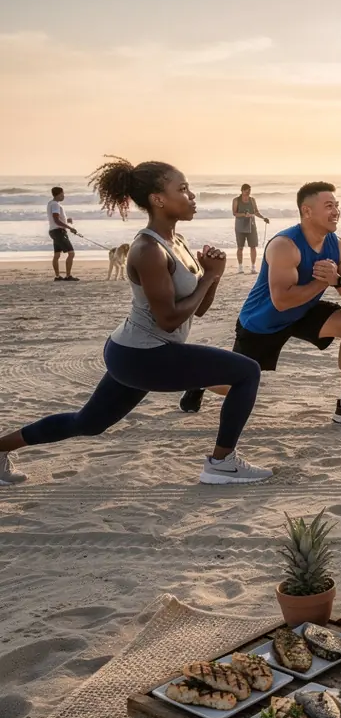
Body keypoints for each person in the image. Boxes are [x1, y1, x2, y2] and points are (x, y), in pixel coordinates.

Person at [0, 158, 271, 487]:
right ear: (158, 199)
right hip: (143, 355)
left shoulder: (179, 242)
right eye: (182, 189)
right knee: (246, 372)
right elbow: (169, 320)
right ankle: (222, 463)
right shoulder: (147, 250)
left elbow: (195, 311)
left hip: (136, 351)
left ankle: (0, 448)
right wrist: (208, 277)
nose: (192, 195)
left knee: (88, 422)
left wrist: (213, 278)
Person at [179, 181, 341, 427]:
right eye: (329, 206)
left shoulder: (338, 245)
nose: (336, 211)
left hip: (303, 311)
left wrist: (337, 280)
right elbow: (282, 302)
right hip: (264, 320)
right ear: (307, 211)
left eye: (337, 205)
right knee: (231, 385)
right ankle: (199, 380)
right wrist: (323, 282)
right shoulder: (285, 245)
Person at [234, 183, 269, 275]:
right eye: (247, 190)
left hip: (251, 225)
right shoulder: (236, 200)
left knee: (253, 246)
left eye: (250, 190)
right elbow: (235, 213)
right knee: (240, 247)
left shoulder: (252, 200)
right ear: (242, 190)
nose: (249, 192)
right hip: (240, 225)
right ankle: (240, 267)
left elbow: (256, 212)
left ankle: (253, 267)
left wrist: (263, 218)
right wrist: (244, 215)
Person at [47, 186, 79, 282]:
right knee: (71, 253)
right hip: (58, 231)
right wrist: (70, 228)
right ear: (58, 194)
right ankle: (68, 276)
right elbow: (56, 220)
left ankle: (57, 276)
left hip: (53, 231)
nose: (63, 196)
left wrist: (66, 220)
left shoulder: (51, 203)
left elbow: (56, 218)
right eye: (62, 194)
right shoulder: (56, 205)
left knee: (57, 254)